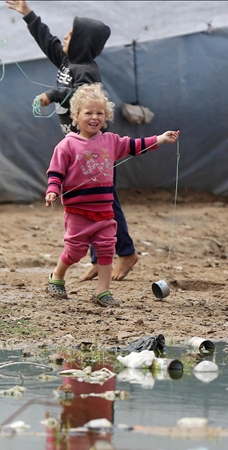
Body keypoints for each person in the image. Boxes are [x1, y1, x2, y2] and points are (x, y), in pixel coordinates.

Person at [6, 0, 140, 282]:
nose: (64, 38)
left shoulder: (87, 69)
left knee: (106, 203)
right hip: (78, 148)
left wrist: (53, 95)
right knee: (85, 204)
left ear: (82, 42)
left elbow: (81, 97)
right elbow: (47, 41)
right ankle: (96, 258)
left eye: (70, 35)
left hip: (97, 150)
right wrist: (28, 14)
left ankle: (126, 253)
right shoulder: (68, 61)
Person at [44, 84, 178, 307]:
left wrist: (161, 138)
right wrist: (52, 191)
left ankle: (102, 292)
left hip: (105, 210)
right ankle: (57, 276)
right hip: (78, 211)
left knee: (107, 248)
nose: (94, 117)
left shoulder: (111, 141)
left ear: (106, 117)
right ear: (76, 117)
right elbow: (55, 172)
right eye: (88, 113)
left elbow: (136, 145)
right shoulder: (67, 145)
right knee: (75, 251)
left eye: (100, 113)